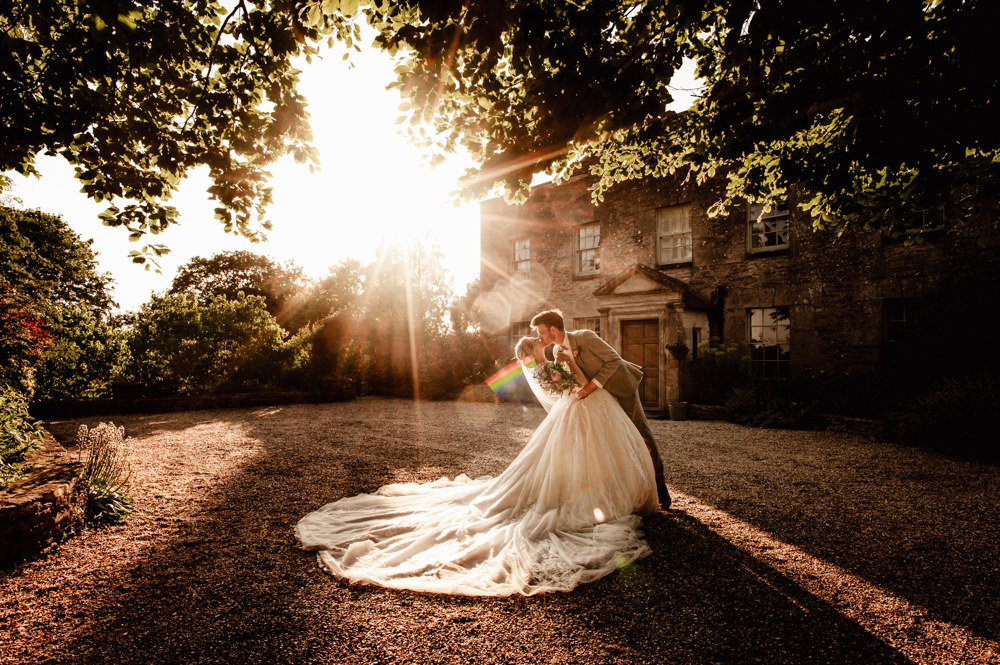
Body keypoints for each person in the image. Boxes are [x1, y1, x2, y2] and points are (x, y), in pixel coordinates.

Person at [295, 336, 658, 596]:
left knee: (576, 457)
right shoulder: (557, 359)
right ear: (533, 351)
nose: (539, 343)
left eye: (539, 340)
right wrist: (574, 367)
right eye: (536, 344)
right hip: (580, 406)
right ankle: (595, 496)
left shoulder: (551, 358)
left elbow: (567, 384)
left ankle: (595, 491)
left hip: (576, 412)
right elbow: (575, 384)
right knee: (579, 458)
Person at [531, 309, 671, 510]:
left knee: (642, 434)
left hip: (621, 387)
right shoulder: (555, 352)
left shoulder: (585, 337)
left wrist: (591, 386)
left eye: (541, 332)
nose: (539, 336)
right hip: (599, 399)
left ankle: (660, 485)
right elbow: (570, 379)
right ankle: (628, 487)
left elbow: (614, 360)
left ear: (553, 329)